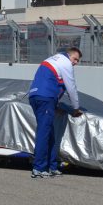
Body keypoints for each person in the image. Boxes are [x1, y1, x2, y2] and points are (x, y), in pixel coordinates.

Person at [28, 47, 83, 178]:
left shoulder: (53, 59)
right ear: (69, 56)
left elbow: (51, 82)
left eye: (78, 61)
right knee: (43, 132)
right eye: (75, 59)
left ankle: (52, 166)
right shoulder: (66, 63)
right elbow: (71, 88)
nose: (76, 62)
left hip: (35, 96)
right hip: (46, 98)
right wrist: (76, 108)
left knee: (49, 132)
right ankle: (39, 168)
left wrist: (54, 104)